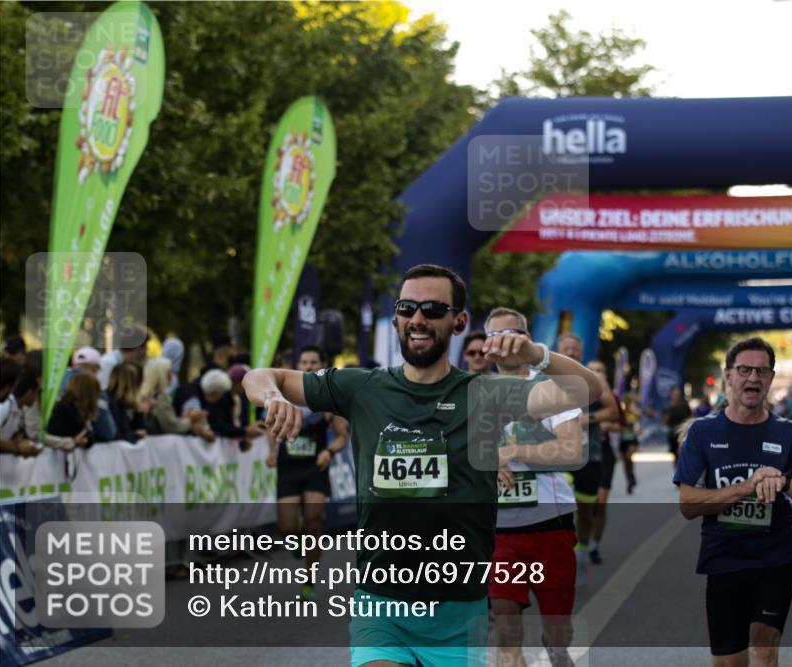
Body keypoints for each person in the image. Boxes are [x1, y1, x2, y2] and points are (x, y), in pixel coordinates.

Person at [243, 263, 600, 667]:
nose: (417, 319)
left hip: (457, 611)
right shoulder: (362, 387)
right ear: (396, 316)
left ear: (458, 321)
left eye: (432, 309)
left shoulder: (485, 393)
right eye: (407, 307)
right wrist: (274, 397)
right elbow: (259, 375)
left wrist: (536, 353)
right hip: (381, 605)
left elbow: (587, 391)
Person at [674, 337, 792, 667]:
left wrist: (784, 481)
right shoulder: (702, 432)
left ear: (771, 379)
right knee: (729, 663)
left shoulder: (788, 433)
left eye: (761, 371)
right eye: (744, 370)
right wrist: (746, 487)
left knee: (763, 646)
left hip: (776, 556)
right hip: (724, 557)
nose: (753, 378)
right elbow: (687, 504)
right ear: (728, 376)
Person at [485, 307, 582, 667]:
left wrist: (512, 451)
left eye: (512, 334)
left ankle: (556, 646)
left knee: (558, 628)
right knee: (506, 629)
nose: (504, 343)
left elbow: (571, 449)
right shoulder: (472, 394)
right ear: (486, 346)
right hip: (499, 529)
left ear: (526, 341)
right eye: (495, 336)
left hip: (550, 524)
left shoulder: (553, 389)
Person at [266, 344, 348, 602]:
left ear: (321, 366)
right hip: (289, 467)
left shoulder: (327, 401)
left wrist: (330, 452)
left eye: (314, 363)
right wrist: (271, 452)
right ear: (297, 366)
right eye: (304, 362)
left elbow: (342, 436)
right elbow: (272, 426)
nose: (309, 366)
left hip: (315, 466)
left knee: (313, 522)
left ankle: (309, 582)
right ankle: (297, 543)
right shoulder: (284, 395)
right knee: (287, 528)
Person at [554, 332, 618, 587]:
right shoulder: (546, 376)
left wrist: (586, 419)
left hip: (589, 454)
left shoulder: (593, 378)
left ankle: (580, 551)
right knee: (559, 502)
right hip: (559, 456)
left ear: (581, 353)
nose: (570, 352)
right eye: (566, 348)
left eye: (574, 349)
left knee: (585, 511)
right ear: (557, 349)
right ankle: (560, 553)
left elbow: (612, 410)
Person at [588, 359, 621, 565]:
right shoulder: (575, 393)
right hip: (580, 453)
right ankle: (579, 543)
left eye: (599, 370)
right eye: (591, 370)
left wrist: (606, 427)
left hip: (604, 452)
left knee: (600, 502)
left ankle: (594, 546)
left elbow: (622, 425)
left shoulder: (612, 398)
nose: (595, 374)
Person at [141, 357, 213, 440]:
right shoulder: (160, 398)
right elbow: (171, 427)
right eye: (169, 372)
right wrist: (190, 420)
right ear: (162, 375)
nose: (172, 376)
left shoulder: (147, 395)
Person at [0, 366, 41, 456]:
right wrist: (18, 449)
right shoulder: (4, 407)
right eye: (36, 392)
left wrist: (17, 439)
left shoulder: (18, 409)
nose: (36, 397)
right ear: (29, 392)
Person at [46, 372, 100, 448]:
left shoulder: (79, 410)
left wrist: (86, 440)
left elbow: (89, 433)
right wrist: (76, 440)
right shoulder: (64, 409)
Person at [106, 362, 149, 442]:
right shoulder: (112, 404)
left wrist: (140, 412)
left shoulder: (128, 403)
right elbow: (118, 436)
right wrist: (136, 435)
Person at [665, 385, 692, 464]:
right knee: (676, 456)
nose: (676, 396)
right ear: (671, 394)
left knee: (682, 453)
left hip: (683, 433)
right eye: (675, 394)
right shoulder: (668, 407)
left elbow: (690, 417)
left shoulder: (684, 406)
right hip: (673, 434)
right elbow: (665, 422)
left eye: (678, 394)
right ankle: (677, 473)